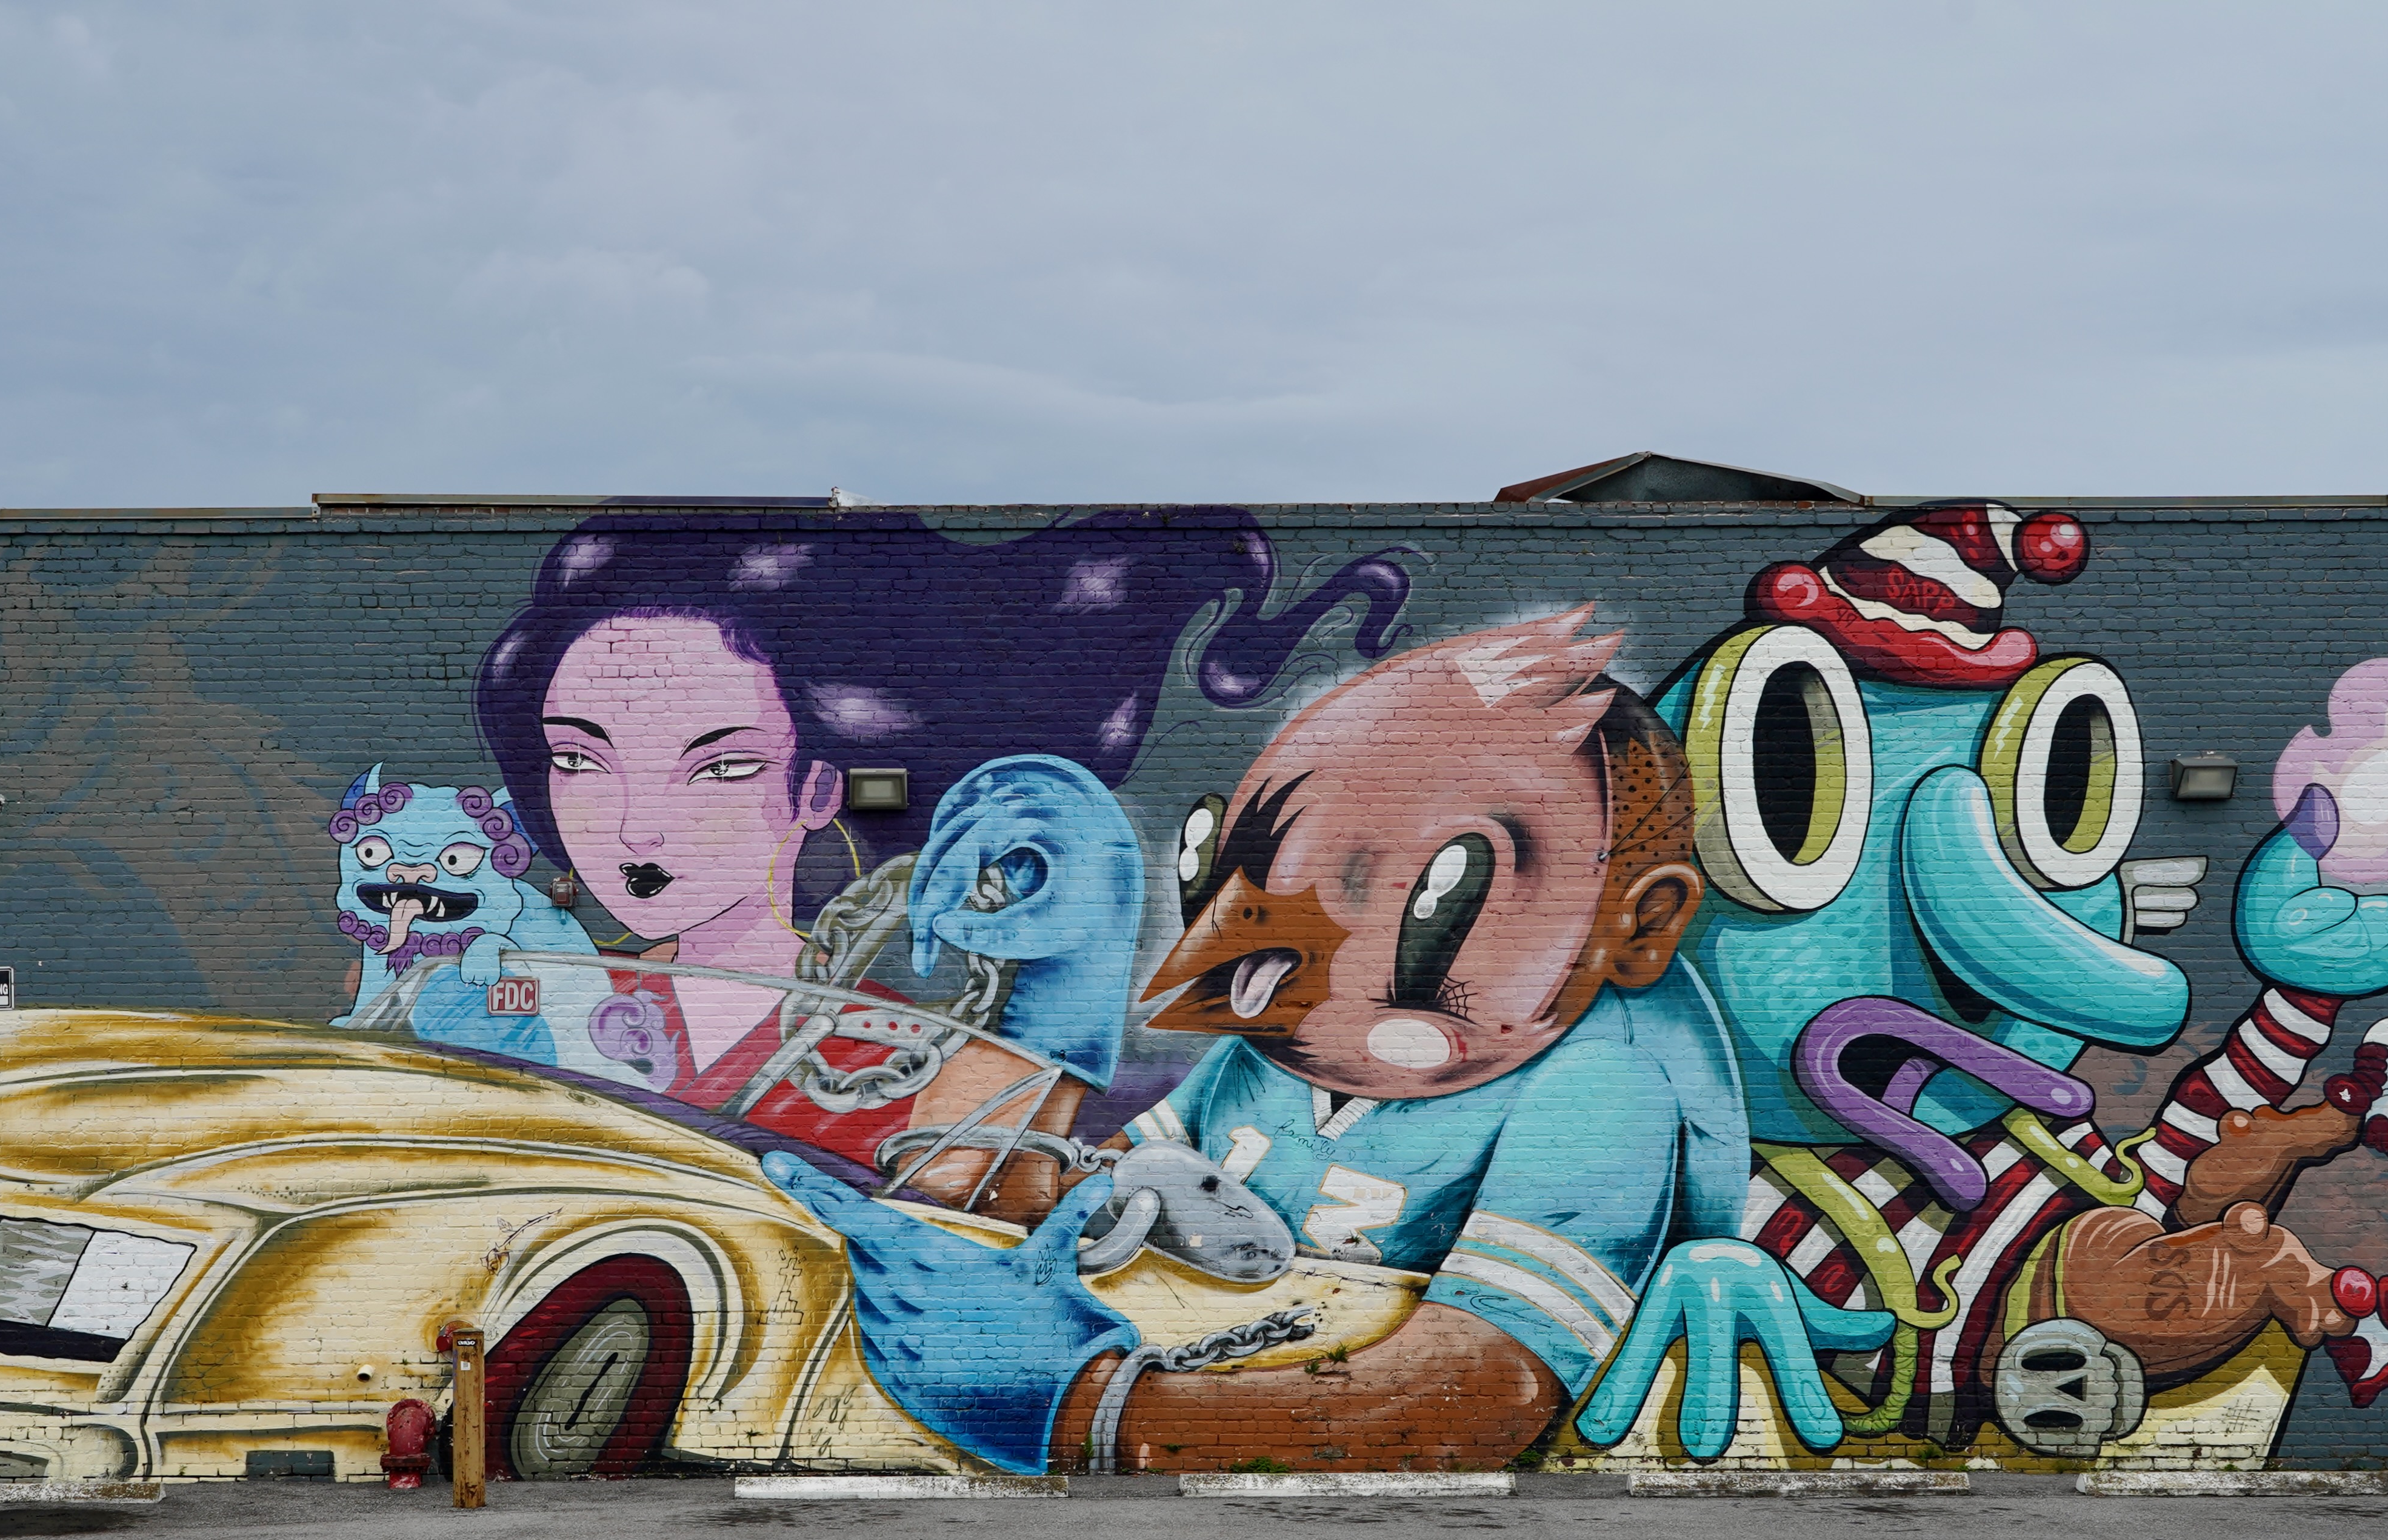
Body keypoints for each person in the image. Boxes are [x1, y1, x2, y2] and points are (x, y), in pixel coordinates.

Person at [765, 612, 1749, 1475]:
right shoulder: (1272, 1047)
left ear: (1642, 925)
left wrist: (1086, 1411)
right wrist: (1059, 997)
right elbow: (1040, 1205)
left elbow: (1472, 1397)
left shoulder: (1600, 1091)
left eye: (1437, 894)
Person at [470, 509, 1410, 1179]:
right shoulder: (536, 1005)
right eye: (578, 759)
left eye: (720, 767)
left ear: (818, 788)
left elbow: (976, 1204)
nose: (635, 825)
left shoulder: (895, 1054)